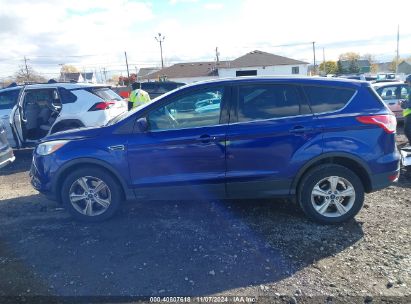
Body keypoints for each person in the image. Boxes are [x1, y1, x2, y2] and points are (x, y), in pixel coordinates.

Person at [402, 75, 411, 145]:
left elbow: (409, 104)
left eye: (408, 82)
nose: (407, 84)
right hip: (408, 114)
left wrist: (402, 104)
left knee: (407, 131)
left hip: (410, 115)